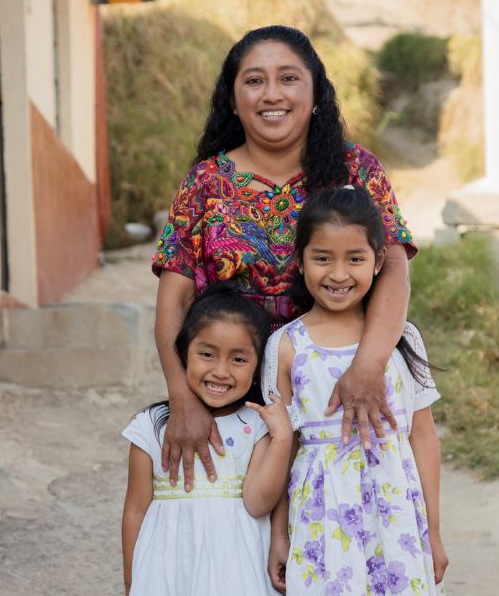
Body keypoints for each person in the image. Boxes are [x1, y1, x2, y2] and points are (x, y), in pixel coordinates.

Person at [152, 25, 418, 498]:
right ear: (232, 100)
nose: (271, 93)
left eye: (288, 78)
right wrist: (182, 398)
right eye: (254, 81)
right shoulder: (205, 183)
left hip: (337, 388)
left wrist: (368, 366)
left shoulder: (357, 171)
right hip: (234, 396)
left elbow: (394, 268)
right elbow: (175, 296)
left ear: (315, 92)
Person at [262, 186, 447, 594]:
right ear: (300, 260)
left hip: (397, 517)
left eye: (355, 258)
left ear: (379, 261)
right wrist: (278, 535)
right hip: (320, 520)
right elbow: (281, 446)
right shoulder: (288, 346)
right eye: (322, 258)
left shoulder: (401, 340)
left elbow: (423, 436)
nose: (339, 274)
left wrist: (432, 531)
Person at [121, 283, 294, 596]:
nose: (220, 371)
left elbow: (258, 503)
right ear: (184, 354)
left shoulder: (256, 425)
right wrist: (132, 581)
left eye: (238, 360)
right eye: (206, 354)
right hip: (168, 570)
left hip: (238, 574)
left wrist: (282, 438)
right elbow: (135, 510)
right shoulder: (151, 427)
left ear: (258, 369)